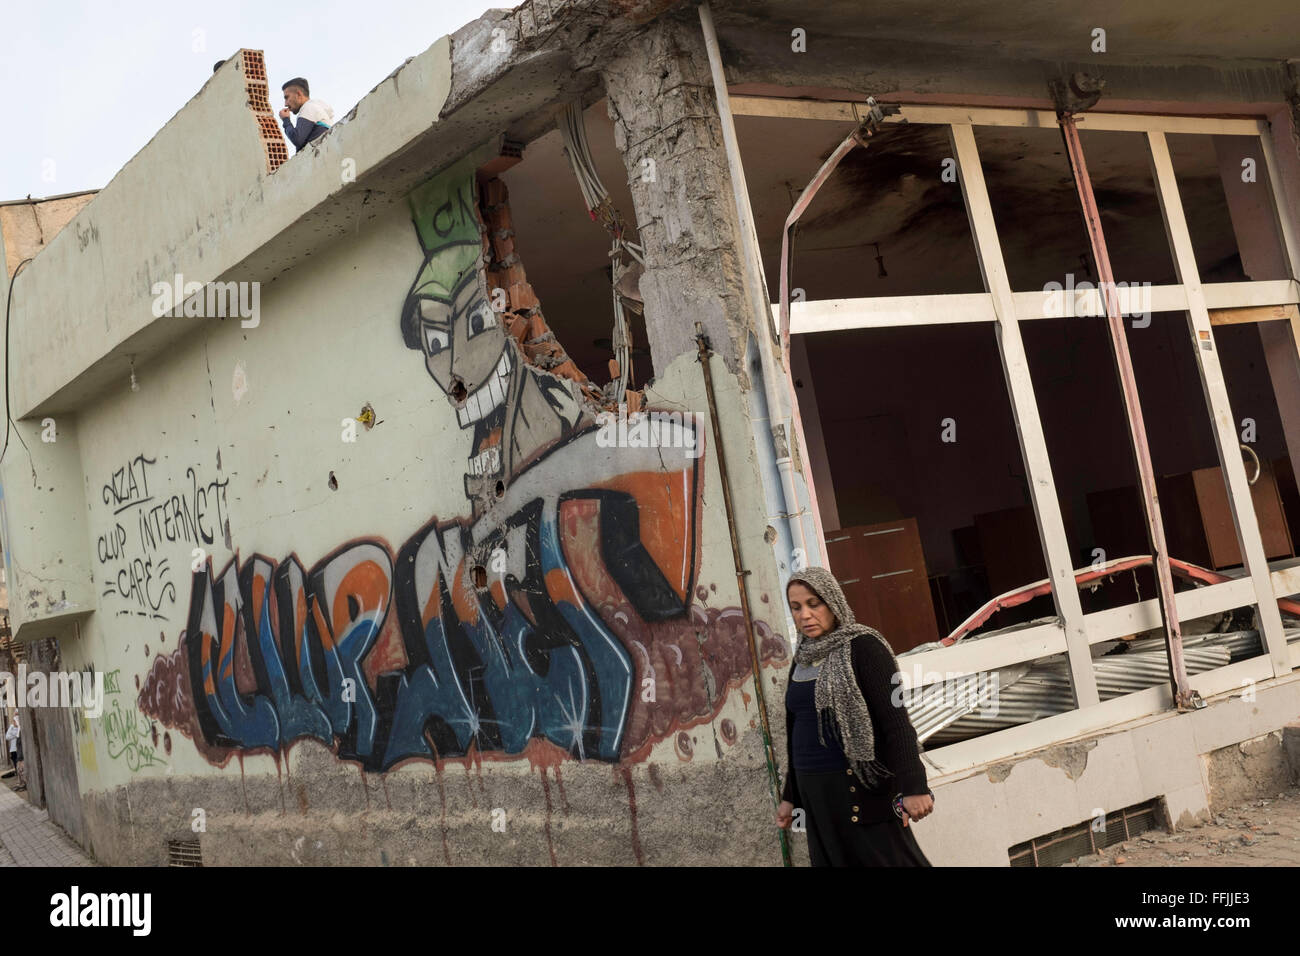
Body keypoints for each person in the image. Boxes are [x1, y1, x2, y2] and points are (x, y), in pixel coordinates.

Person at [775, 566, 935, 866]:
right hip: (817, 798)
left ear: (833, 602)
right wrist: (790, 797)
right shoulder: (802, 658)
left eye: (814, 604)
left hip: (859, 791)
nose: (804, 615)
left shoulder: (864, 647)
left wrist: (914, 786)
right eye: (796, 607)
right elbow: (797, 731)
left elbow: (896, 722)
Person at [279, 77, 334, 152]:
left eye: (287, 97)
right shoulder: (315, 108)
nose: (285, 104)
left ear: (298, 94)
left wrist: (286, 120)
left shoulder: (308, 107)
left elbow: (297, 139)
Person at [6, 715, 23, 790]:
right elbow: (7, 737)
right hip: (13, 749)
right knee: (17, 767)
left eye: (14, 721)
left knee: (20, 767)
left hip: (19, 750)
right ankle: (20, 782)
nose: (13, 722)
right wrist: (15, 735)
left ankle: (22, 782)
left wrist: (15, 735)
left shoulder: (20, 728)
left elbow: (18, 736)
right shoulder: (12, 727)